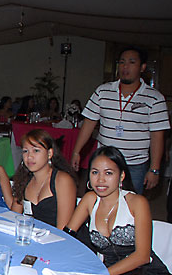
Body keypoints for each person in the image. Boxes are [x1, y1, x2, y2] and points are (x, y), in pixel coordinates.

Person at [66, 146, 172, 275]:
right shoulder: (90, 200)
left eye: (108, 173)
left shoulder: (136, 202)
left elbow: (142, 256)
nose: (100, 180)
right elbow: (66, 236)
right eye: (95, 172)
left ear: (121, 176)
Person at [71, 46, 170, 194]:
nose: (125, 66)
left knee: (130, 204)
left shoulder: (155, 98)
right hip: (104, 161)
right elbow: (89, 123)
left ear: (142, 67)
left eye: (131, 62)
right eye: (122, 62)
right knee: (97, 201)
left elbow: (157, 136)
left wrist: (154, 169)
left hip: (135, 165)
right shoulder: (103, 91)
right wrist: (76, 151)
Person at [11, 129, 77, 228]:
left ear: (49, 153)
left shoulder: (62, 180)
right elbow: (13, 218)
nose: (29, 156)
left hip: (59, 236)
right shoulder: (23, 179)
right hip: (33, 234)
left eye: (36, 150)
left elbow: (63, 230)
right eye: (25, 151)